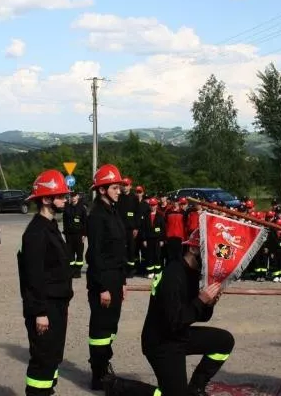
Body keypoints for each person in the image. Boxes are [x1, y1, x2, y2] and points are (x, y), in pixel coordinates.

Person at [102, 229, 233, 396]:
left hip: (179, 334)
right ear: (193, 249)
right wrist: (200, 300)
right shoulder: (174, 274)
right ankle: (118, 387)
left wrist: (208, 303)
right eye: (209, 254)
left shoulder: (192, 273)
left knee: (224, 341)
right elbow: (175, 319)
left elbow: (198, 316)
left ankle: (196, 388)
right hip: (161, 342)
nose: (212, 261)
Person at [17, 169, 73, 396]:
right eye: (60, 196)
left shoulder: (50, 227)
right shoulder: (36, 232)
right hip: (45, 306)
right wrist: (40, 311)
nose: (65, 200)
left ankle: (47, 392)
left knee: (53, 356)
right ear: (47, 199)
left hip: (57, 303)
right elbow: (33, 277)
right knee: (42, 358)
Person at [86, 164, 129, 389]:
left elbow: (118, 251)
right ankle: (98, 374)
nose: (118, 190)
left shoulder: (113, 211)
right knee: (101, 328)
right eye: (114, 187)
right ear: (102, 190)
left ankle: (104, 364)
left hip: (114, 278)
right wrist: (102, 287)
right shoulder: (96, 216)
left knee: (111, 326)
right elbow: (94, 255)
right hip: (102, 280)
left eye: (119, 187)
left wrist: (121, 282)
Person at [63, 193, 88, 278]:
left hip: (79, 235)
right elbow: (65, 221)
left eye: (74, 196)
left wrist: (84, 234)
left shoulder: (82, 208)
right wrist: (65, 233)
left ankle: (78, 271)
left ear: (77, 196)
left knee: (79, 253)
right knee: (70, 253)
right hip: (69, 235)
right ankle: (72, 270)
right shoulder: (67, 207)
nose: (73, 198)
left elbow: (85, 222)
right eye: (71, 196)